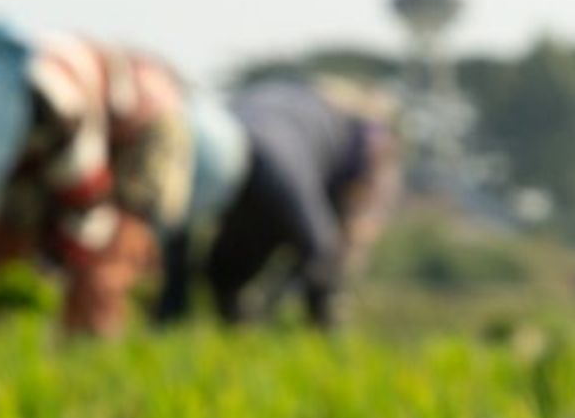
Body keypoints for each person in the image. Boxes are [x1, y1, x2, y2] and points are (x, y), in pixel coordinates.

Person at [0, 24, 249, 336]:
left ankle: (90, 357)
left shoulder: (57, 104)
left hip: (143, 129)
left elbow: (85, 214)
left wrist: (45, 271)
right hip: (61, 146)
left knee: (106, 262)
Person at [165, 77, 400, 330]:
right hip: (275, 163)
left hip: (257, 154)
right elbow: (321, 246)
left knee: (232, 263)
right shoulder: (336, 135)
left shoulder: (345, 128)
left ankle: (202, 321)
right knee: (308, 252)